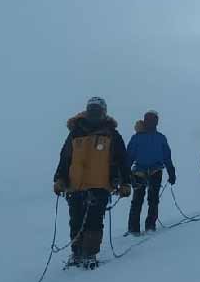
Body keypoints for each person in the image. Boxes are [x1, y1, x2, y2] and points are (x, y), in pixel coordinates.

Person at [53, 97, 131, 269]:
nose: (94, 112)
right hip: (75, 185)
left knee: (94, 221)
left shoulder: (112, 134)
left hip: (100, 185)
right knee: (76, 220)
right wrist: (59, 179)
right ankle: (76, 253)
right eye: (92, 108)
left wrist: (126, 182)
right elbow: (65, 158)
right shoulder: (75, 133)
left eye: (98, 109)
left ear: (103, 111)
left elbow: (122, 160)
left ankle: (89, 254)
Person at [124, 110, 176, 235]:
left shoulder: (154, 137)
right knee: (144, 200)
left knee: (146, 200)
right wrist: (125, 172)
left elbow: (167, 157)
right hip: (143, 172)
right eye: (150, 120)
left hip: (151, 171)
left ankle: (144, 227)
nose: (152, 122)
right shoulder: (148, 137)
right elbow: (129, 157)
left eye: (154, 120)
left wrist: (171, 172)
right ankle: (140, 227)